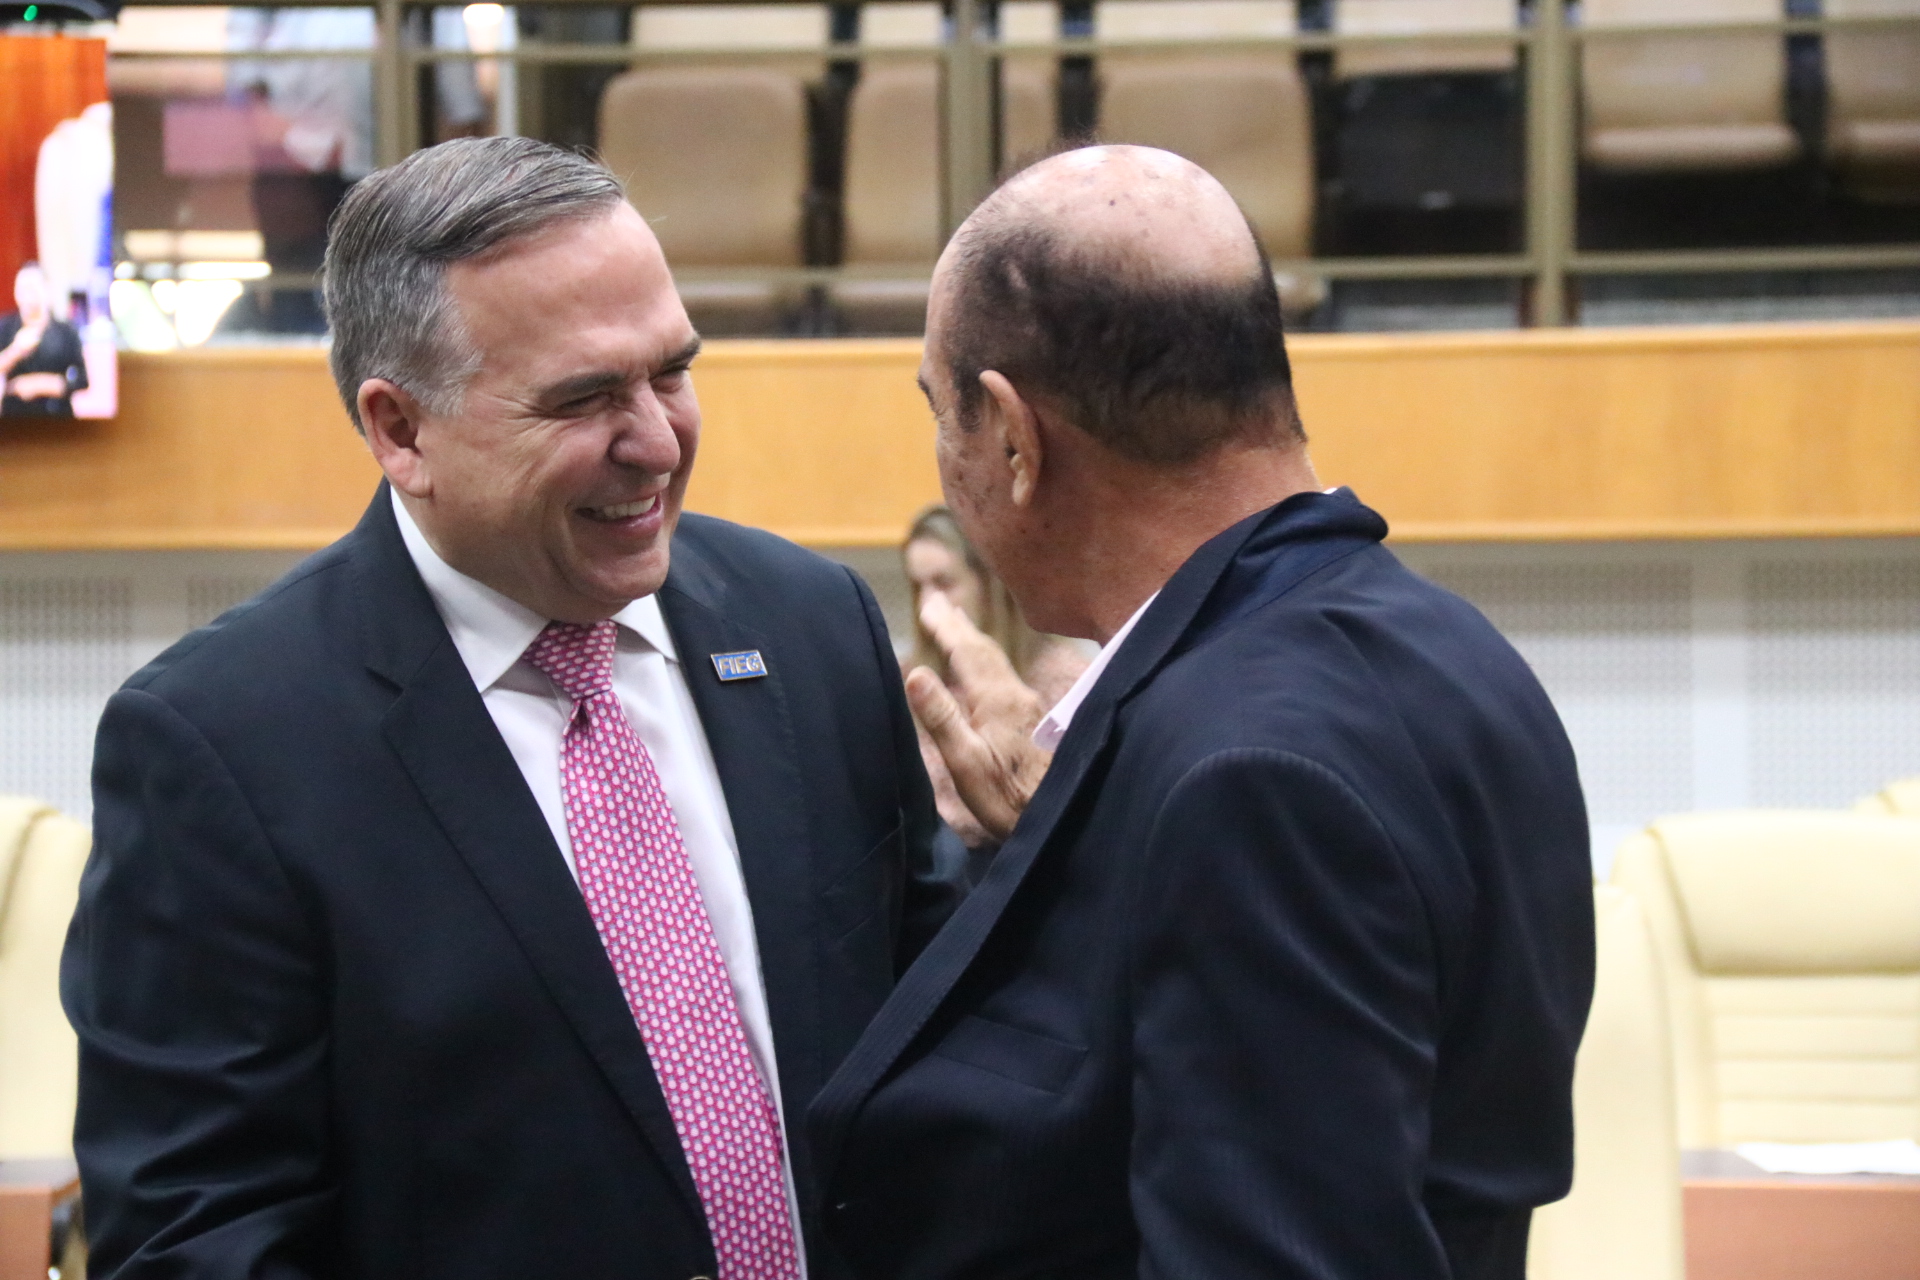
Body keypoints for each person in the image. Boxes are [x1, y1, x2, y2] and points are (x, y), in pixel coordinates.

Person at [63, 137, 958, 1280]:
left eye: (672, 371)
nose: (658, 441)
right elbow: (197, 1235)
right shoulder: (226, 744)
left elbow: (944, 1050)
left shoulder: (810, 627)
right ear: (400, 429)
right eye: (584, 397)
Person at [807, 145, 1596, 1280]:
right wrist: (1077, 845)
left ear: (1014, 437)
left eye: (941, 413)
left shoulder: (1241, 773)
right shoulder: (1458, 655)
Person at [901, 505, 1085, 857]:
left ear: (988, 584)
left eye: (944, 584)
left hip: (1016, 859)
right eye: (917, 587)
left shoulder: (1062, 679)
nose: (927, 606)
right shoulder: (911, 677)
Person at [0, 262, 87, 418]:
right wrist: (15, 351)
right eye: (22, 290)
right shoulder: (5, 328)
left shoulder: (66, 332)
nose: (28, 297)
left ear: (47, 291)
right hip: (16, 417)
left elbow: (82, 379)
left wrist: (44, 384)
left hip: (57, 416)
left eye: (33, 289)